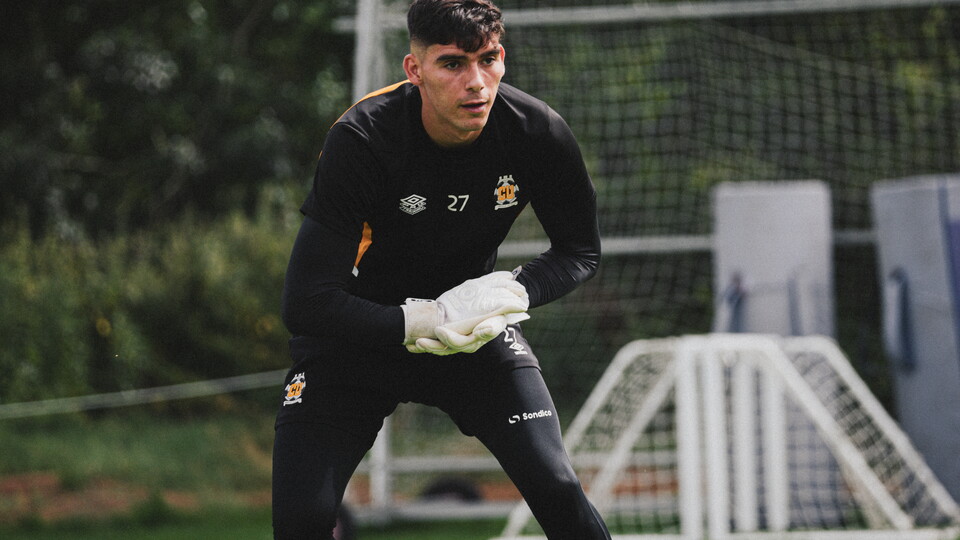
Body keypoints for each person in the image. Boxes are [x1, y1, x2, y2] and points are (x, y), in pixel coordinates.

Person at [272, 0, 610, 538]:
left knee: (559, 488)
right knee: (301, 521)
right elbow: (306, 302)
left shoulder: (537, 131)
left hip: (471, 336)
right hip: (356, 342)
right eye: (452, 63)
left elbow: (580, 251)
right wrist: (420, 321)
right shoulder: (363, 138)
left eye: (488, 59)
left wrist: (509, 293)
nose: (475, 82)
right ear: (415, 69)